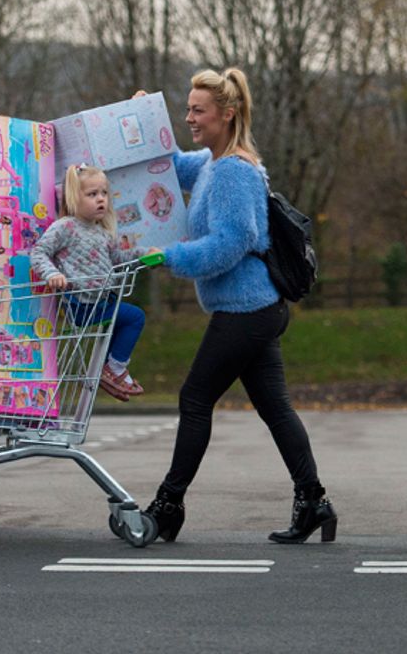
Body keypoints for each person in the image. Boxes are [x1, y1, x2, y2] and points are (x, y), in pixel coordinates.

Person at [134, 68, 337, 544]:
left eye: (197, 110)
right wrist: (142, 120)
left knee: (195, 397)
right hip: (253, 308)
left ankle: (168, 505)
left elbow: (232, 241)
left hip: (246, 309)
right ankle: (313, 502)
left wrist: (170, 256)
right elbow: (169, 163)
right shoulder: (211, 163)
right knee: (275, 408)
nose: (189, 118)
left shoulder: (232, 172)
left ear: (227, 114)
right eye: (186, 110)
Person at [30, 164, 146, 403]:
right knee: (134, 317)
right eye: (92, 194)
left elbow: (119, 259)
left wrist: (144, 255)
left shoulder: (103, 233)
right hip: (81, 303)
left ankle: (108, 366)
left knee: (123, 319)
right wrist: (52, 274)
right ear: (74, 197)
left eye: (104, 193)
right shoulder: (66, 227)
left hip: (100, 301)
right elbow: (39, 252)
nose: (101, 199)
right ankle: (114, 368)